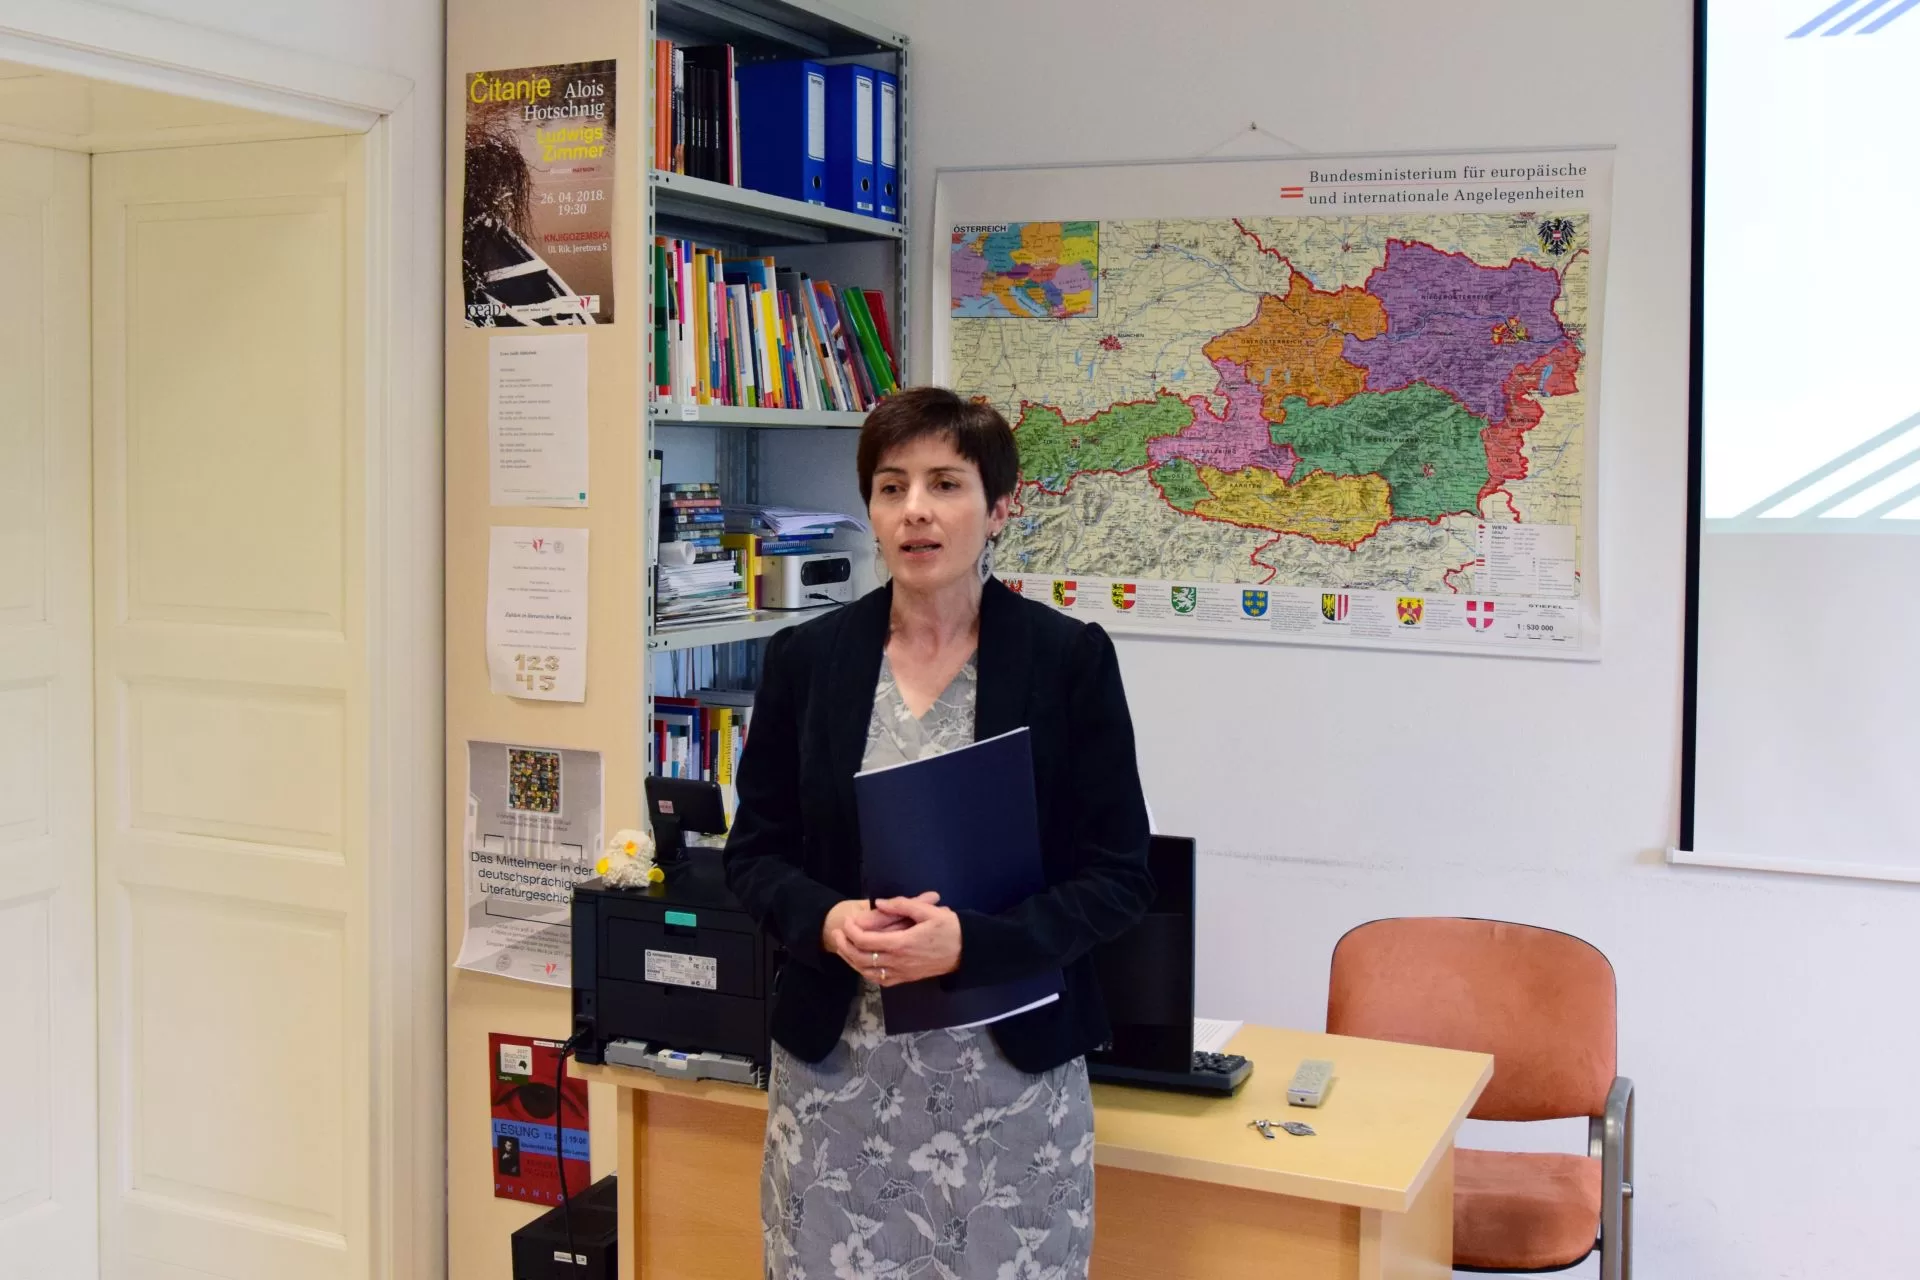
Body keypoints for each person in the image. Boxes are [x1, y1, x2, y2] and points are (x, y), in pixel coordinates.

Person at [724, 386, 1155, 1280]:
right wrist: (825, 921)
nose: (915, 509)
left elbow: (1119, 877)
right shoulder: (807, 661)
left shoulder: (1067, 660)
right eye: (891, 487)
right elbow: (755, 855)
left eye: (945, 484)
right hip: (838, 1086)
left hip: (1011, 1090)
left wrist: (971, 944)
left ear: (999, 508)